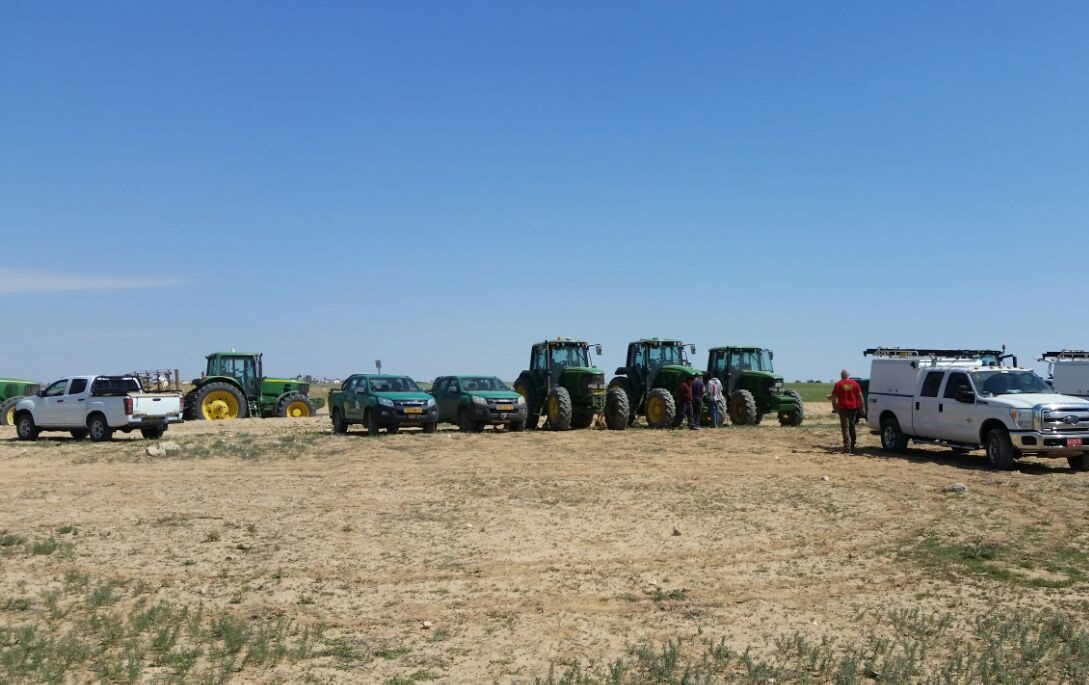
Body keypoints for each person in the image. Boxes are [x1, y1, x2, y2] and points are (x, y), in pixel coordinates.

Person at [829, 370, 865, 453]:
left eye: (841, 374)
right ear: (848, 375)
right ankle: (852, 444)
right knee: (852, 425)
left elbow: (834, 397)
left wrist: (834, 406)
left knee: (845, 427)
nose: (841, 375)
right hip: (853, 407)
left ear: (842, 375)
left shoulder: (838, 384)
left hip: (843, 408)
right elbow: (860, 395)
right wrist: (862, 408)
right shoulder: (855, 384)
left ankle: (847, 446)